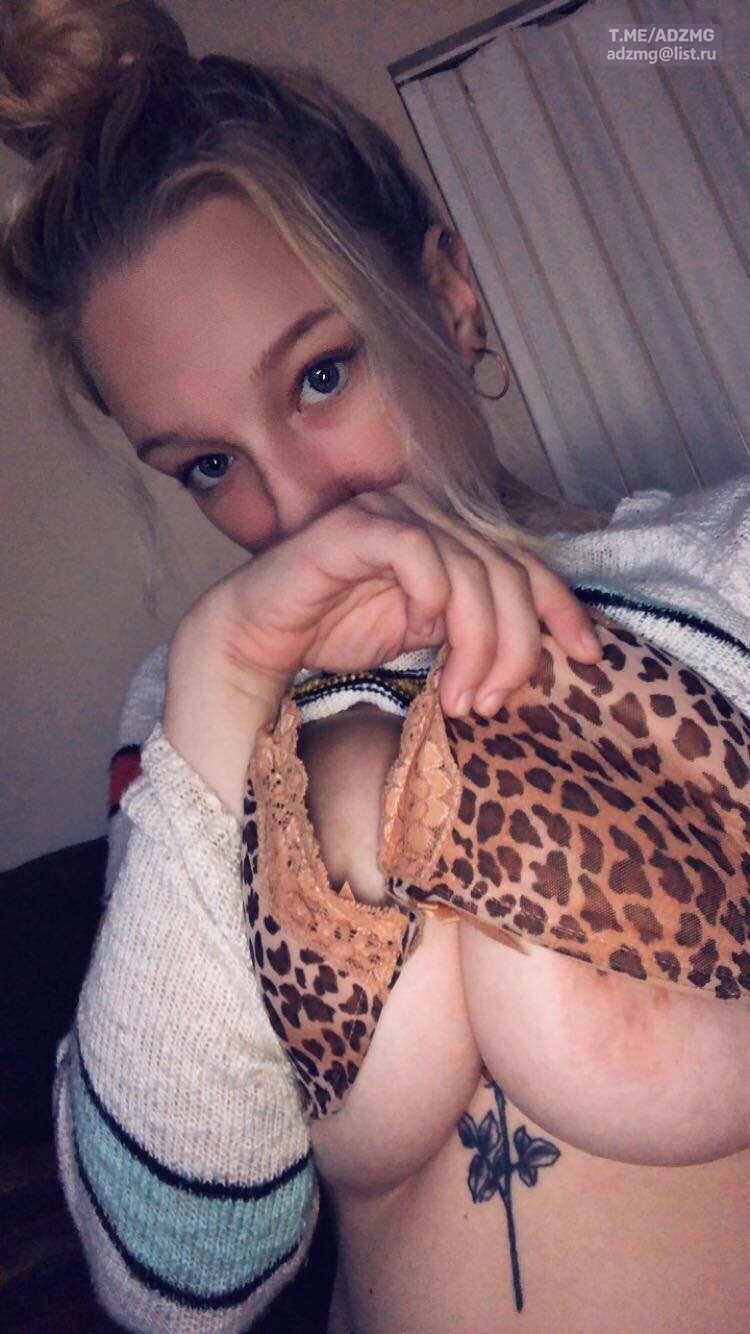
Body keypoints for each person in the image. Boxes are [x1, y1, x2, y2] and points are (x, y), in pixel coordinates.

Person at [1, 2, 748, 1331]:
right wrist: (220, 684)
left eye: (321, 375)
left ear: (448, 294)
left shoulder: (719, 568)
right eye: (208, 465)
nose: (297, 510)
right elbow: (176, 1279)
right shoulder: (197, 717)